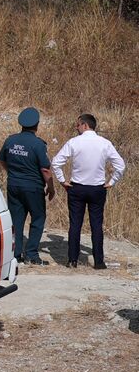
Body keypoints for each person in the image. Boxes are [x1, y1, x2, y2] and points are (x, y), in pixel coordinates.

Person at [51, 113, 126, 269]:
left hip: (77, 188)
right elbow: (120, 165)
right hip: (97, 189)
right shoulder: (105, 143)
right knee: (96, 225)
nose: (76, 128)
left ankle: (72, 260)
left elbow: (56, 163)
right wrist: (111, 182)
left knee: (75, 224)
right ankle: (99, 261)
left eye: (78, 125)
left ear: (85, 125)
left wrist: (62, 181)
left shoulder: (73, 142)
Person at [0, 107, 55, 266]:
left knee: (16, 220)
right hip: (33, 188)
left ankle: (15, 254)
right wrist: (51, 187)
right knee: (38, 218)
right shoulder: (38, 144)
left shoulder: (10, 140)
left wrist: (12, 172)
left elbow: (1, 159)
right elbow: (45, 170)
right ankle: (32, 255)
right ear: (36, 125)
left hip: (13, 185)